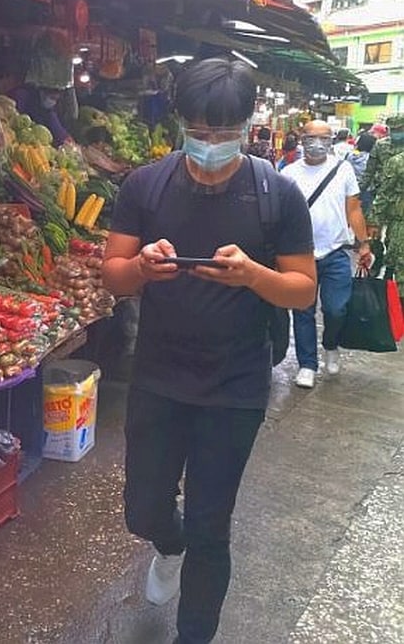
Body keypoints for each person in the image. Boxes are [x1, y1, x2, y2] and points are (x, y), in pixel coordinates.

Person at [101, 58, 317, 644]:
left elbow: (302, 290)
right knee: (143, 511)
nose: (211, 145)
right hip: (158, 378)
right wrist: (142, 269)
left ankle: (194, 634)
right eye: (199, 131)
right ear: (181, 124)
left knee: (210, 525)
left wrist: (252, 276)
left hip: (235, 386)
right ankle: (165, 544)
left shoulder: (277, 195)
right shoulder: (146, 185)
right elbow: (113, 276)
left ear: (247, 127)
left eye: (224, 133)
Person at [280, 119, 372, 388]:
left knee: (336, 308)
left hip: (335, 251)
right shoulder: (288, 173)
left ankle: (331, 344)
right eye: (311, 137)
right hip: (299, 254)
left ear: (331, 141)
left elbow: (353, 209)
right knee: (302, 309)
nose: (317, 143)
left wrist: (363, 242)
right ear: (302, 139)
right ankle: (307, 364)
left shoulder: (343, 170)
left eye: (324, 138)